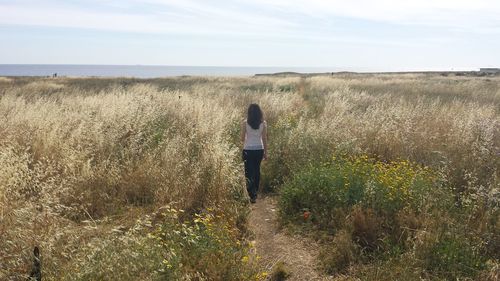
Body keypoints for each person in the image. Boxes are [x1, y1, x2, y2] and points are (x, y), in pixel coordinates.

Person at [241, 104, 267, 203]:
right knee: (257, 171)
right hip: (259, 149)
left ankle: (251, 194)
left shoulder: (245, 123)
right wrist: (266, 152)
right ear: (259, 112)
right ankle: (255, 193)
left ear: (249, 113)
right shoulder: (263, 123)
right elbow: (264, 138)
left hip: (248, 149)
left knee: (248, 172)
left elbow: (242, 138)